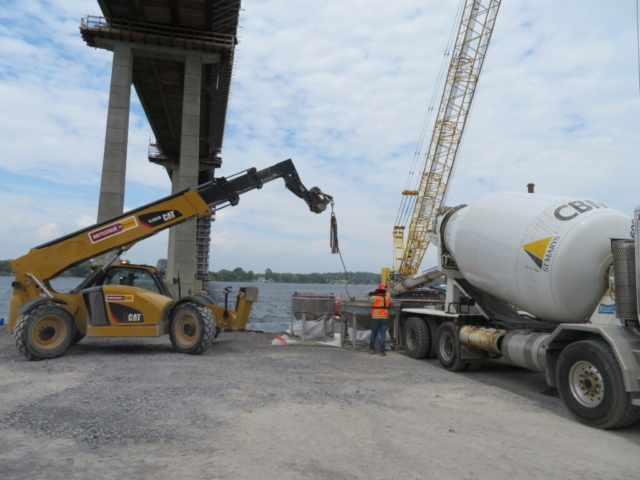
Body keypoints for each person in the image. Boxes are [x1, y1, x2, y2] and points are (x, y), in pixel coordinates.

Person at [368, 283, 390, 356]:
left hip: (376, 317)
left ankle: (371, 349)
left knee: (374, 333)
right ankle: (382, 350)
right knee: (383, 334)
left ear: (378, 290)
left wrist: (370, 296)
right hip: (385, 317)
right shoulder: (387, 297)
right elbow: (388, 293)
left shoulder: (375, 297)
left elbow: (370, 300)